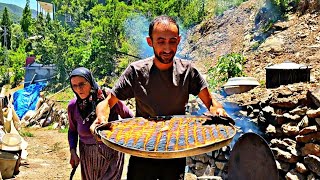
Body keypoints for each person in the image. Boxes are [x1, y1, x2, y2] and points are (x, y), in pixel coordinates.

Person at [90, 15, 228, 180]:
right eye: (161, 41)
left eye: (172, 41)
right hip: (142, 149)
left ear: (179, 40)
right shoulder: (136, 71)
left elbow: (211, 102)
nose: (167, 48)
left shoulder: (187, 71)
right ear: (150, 42)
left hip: (175, 149)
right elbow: (107, 102)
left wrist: (218, 110)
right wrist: (101, 117)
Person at [68, 67, 133, 180]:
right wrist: (73, 151)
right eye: (74, 86)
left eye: (82, 84)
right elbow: (72, 130)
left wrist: (121, 137)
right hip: (87, 155)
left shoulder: (108, 99)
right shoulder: (73, 106)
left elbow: (130, 118)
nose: (78, 89)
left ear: (90, 81)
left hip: (111, 153)